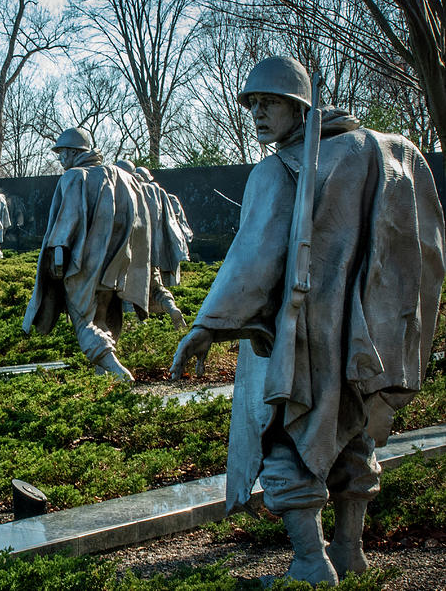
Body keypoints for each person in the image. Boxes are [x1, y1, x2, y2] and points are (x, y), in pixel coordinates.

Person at [170, 56, 446, 585]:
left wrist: (207, 325)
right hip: (367, 339)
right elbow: (425, 248)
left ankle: (310, 562)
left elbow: (254, 257)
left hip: (302, 340)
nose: (257, 114)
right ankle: (349, 552)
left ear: (300, 106)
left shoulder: (280, 169)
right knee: (350, 433)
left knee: (283, 437)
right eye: (251, 104)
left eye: (269, 102)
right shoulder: (389, 153)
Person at [23, 129, 152, 381]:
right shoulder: (121, 176)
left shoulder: (73, 177)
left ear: (73, 152)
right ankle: (102, 374)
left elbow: (67, 220)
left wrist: (58, 258)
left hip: (82, 266)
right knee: (101, 318)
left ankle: (116, 370)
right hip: (114, 266)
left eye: (62, 153)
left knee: (83, 320)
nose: (60, 159)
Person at [117, 159, 188, 330]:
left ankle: (134, 328)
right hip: (152, 255)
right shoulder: (157, 193)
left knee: (126, 293)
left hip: (130, 254)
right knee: (156, 289)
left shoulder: (126, 190)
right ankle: (171, 307)